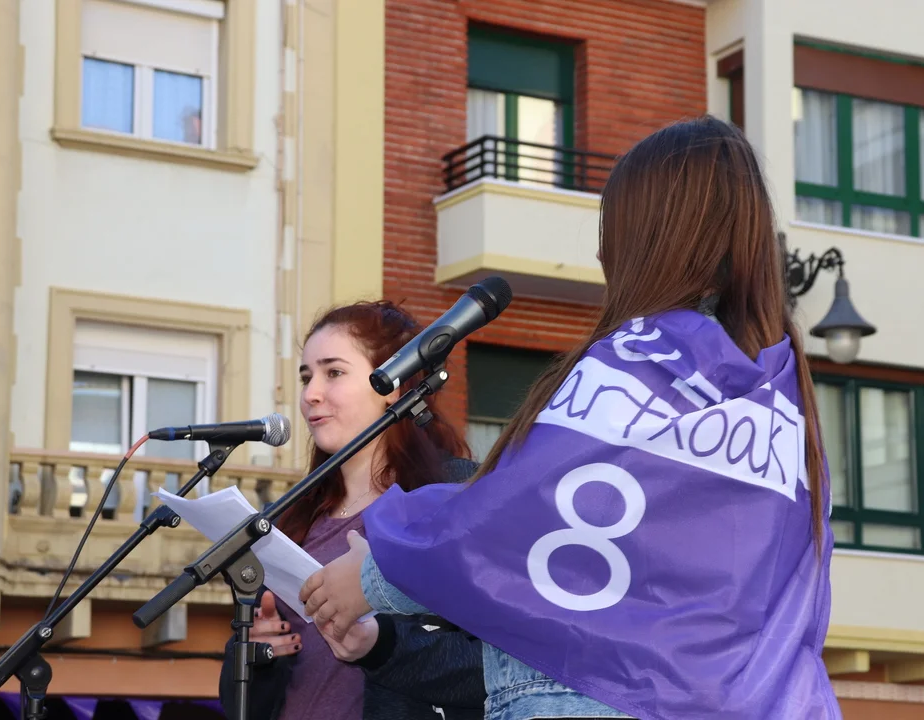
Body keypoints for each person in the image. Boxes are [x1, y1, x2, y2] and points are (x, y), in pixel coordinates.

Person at [300, 116, 842, 719]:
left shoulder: (639, 361)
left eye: (613, 228)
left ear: (647, 236)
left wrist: (376, 571)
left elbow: (526, 514)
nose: (602, 252)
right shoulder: (786, 404)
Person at [217, 301, 486, 720]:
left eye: (334, 373)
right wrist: (257, 652)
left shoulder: (454, 496)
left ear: (391, 385)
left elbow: (495, 668)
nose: (311, 394)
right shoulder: (289, 517)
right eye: (306, 377)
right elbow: (245, 702)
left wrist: (380, 644)